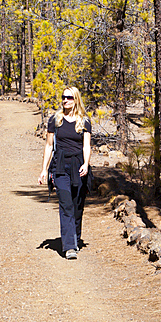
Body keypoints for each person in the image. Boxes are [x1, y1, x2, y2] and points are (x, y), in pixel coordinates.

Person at [38, 86, 91, 260]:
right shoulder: (56, 120)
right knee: (66, 203)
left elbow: (86, 146)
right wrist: (44, 170)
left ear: (76, 99)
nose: (65, 100)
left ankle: (74, 237)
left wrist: (86, 164)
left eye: (69, 97)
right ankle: (69, 246)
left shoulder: (84, 121)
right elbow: (48, 146)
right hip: (60, 165)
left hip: (78, 165)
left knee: (77, 205)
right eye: (63, 97)